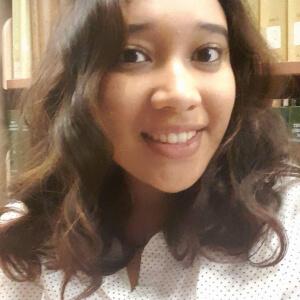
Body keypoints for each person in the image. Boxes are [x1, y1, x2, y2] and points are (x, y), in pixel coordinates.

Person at [0, 0, 300, 299]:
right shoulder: (22, 241)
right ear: (80, 81)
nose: (180, 94)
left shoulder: (290, 224)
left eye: (207, 53)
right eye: (132, 55)